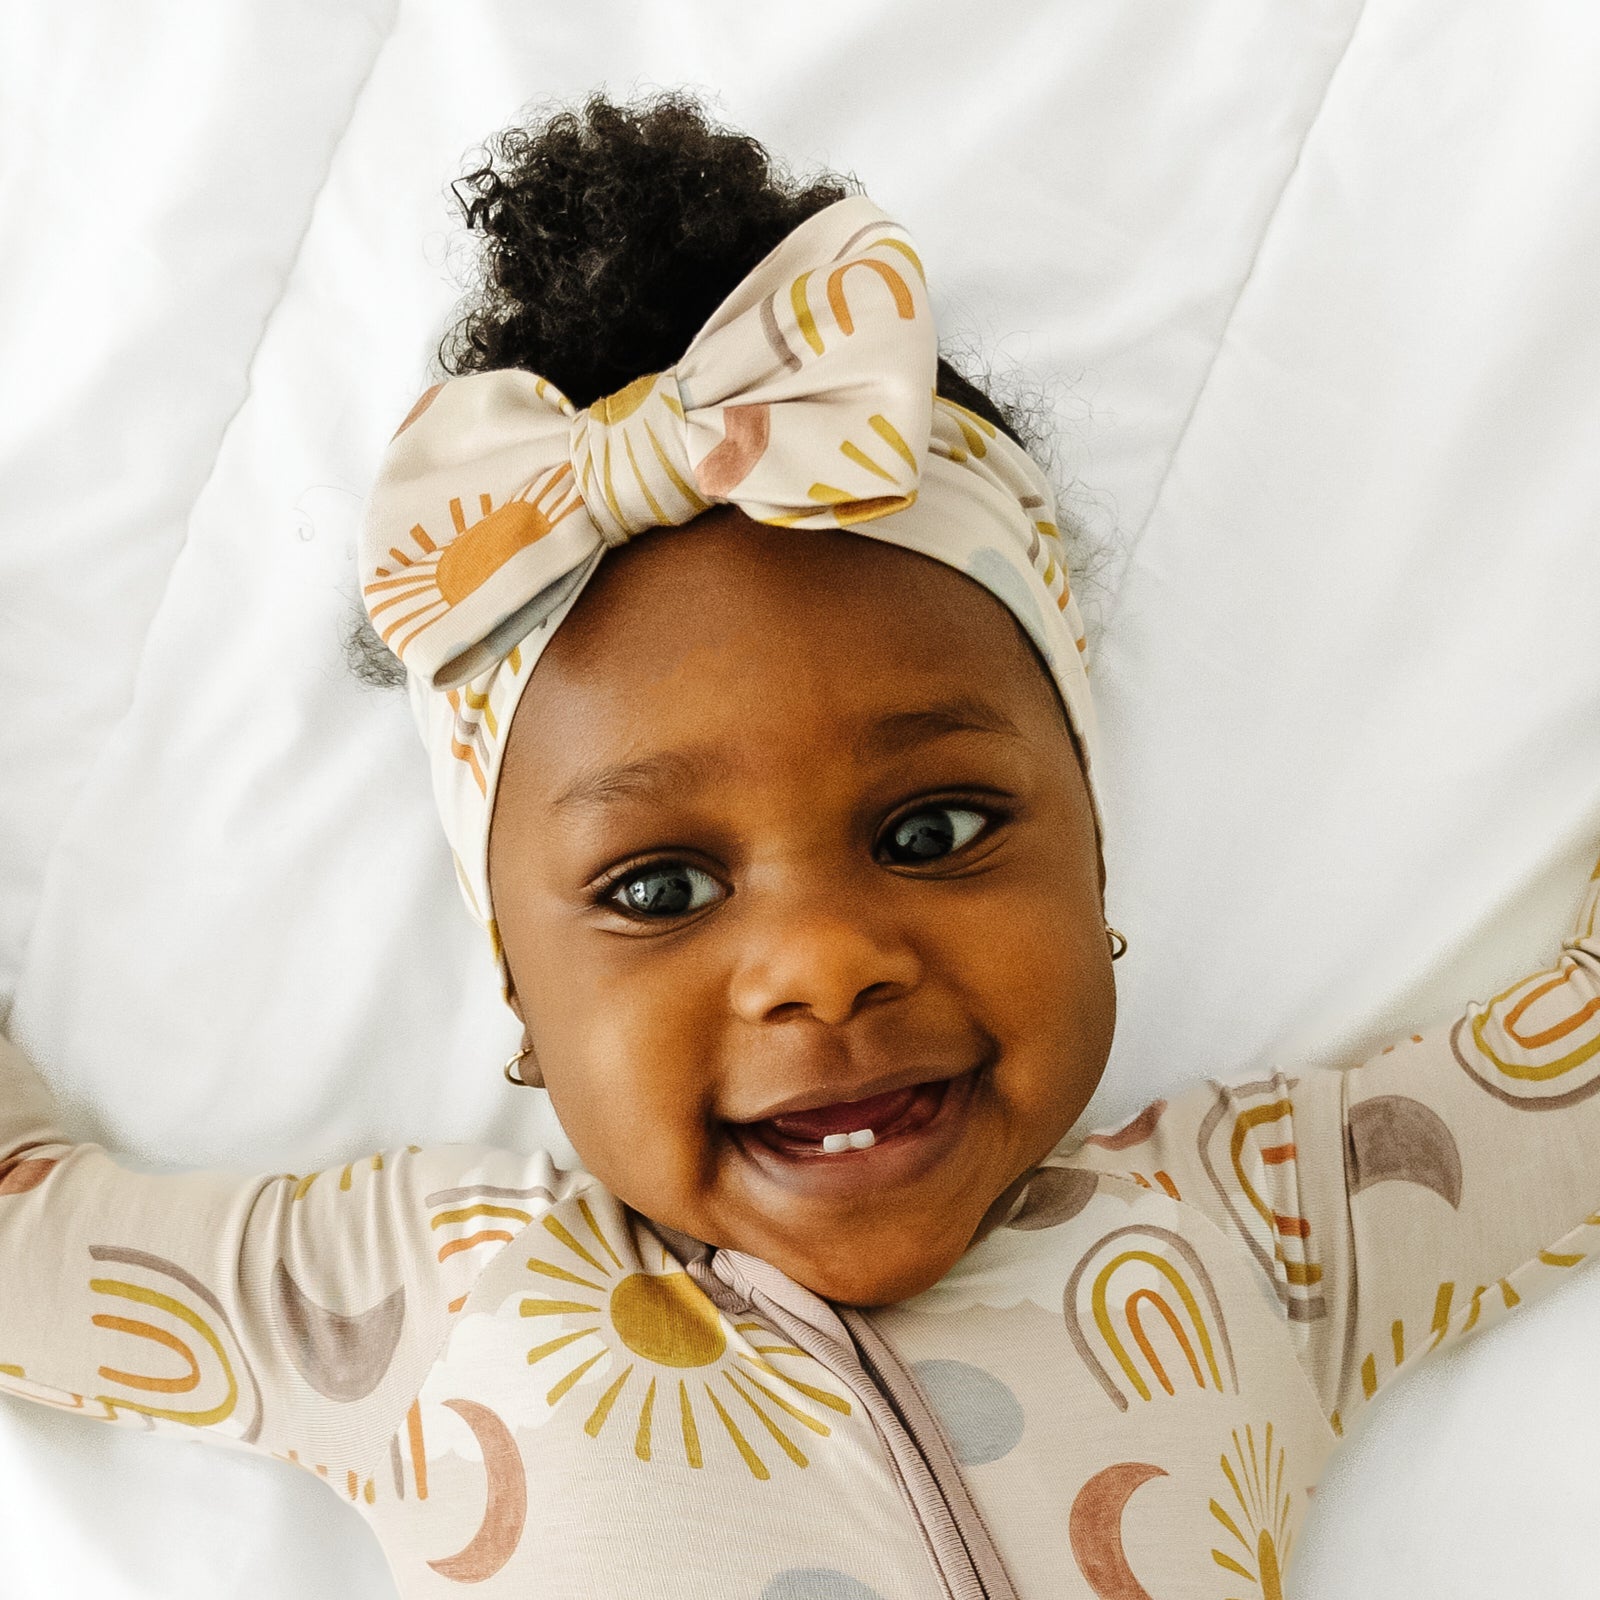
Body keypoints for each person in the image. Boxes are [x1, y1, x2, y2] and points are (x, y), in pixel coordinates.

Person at [3, 92, 1598, 1600]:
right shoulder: (416, 1297)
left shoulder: (1270, 1226)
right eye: (659, 889)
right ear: (517, 992)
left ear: (1093, 857)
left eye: (938, 829)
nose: (828, 963)